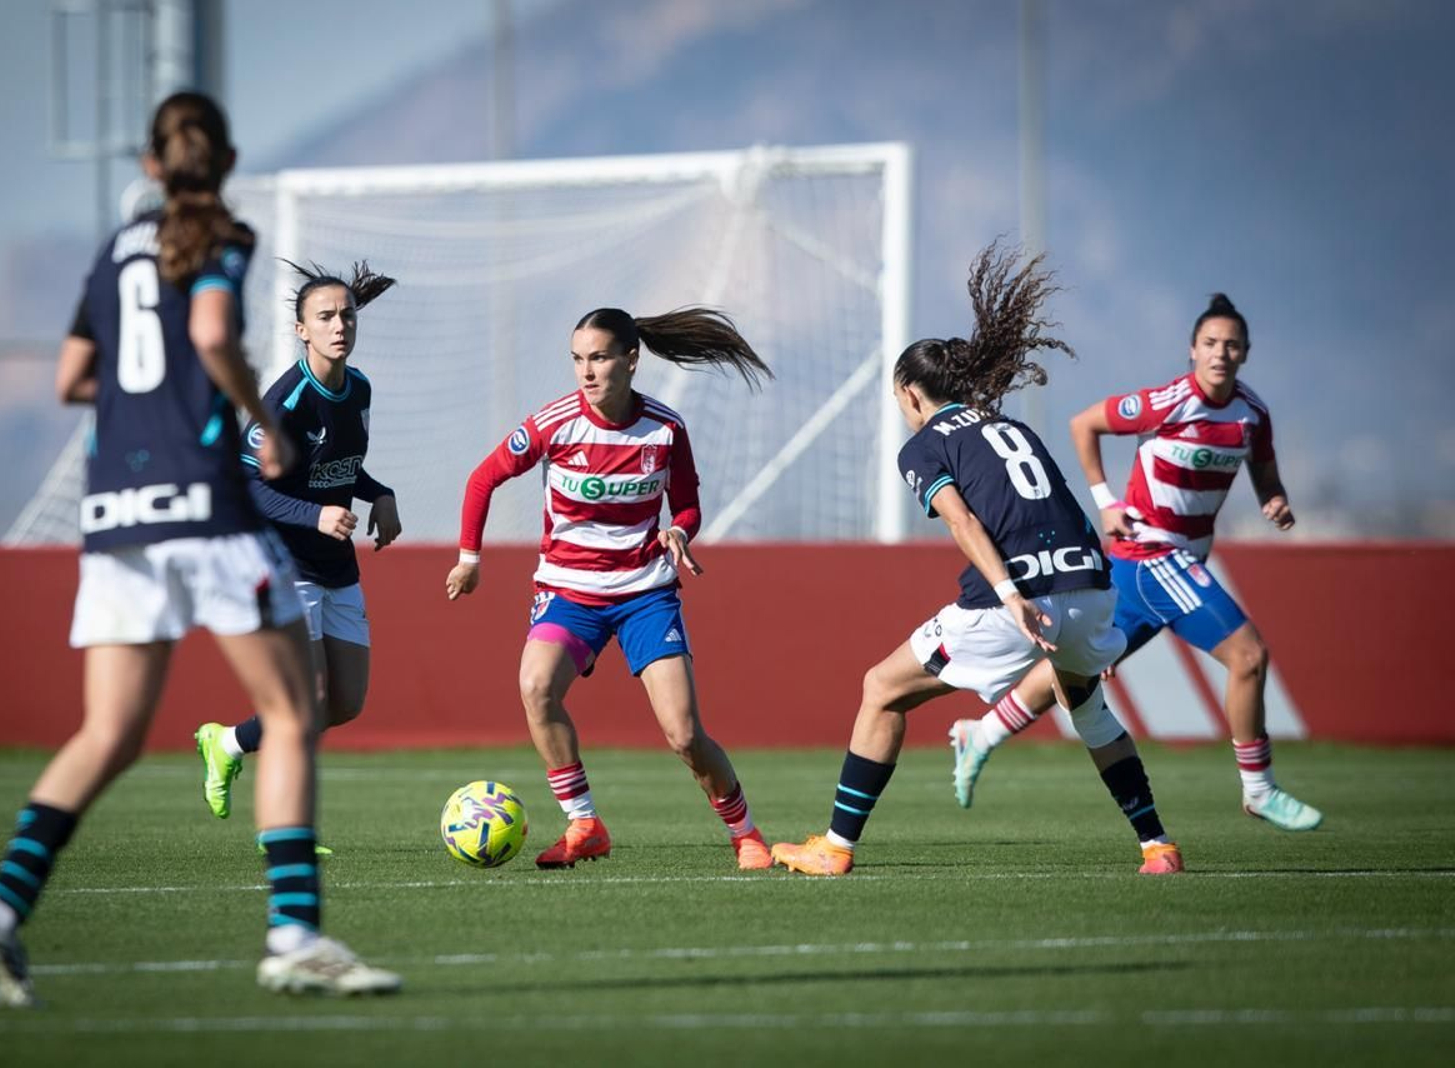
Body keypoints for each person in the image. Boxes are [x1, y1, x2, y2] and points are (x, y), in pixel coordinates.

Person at [0, 92, 400, 1006]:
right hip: (208, 511)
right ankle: (294, 933)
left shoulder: (113, 255)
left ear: (149, 168)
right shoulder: (220, 238)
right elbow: (206, 335)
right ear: (222, 162)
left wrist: (138, 406)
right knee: (291, 710)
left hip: (116, 513)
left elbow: (74, 376)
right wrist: (260, 418)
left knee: (107, 733)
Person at [772, 241, 1183, 877]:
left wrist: (1013, 595)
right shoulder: (1013, 427)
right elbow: (1060, 506)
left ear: (911, 394)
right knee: (1090, 711)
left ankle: (835, 847)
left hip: (1016, 599)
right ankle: (1157, 846)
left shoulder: (925, 446)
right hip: (1090, 585)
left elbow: (962, 521)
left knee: (880, 689)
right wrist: (1080, 613)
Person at [946, 294, 1323, 831]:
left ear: (1245, 353)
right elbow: (1084, 424)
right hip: (1152, 552)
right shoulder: (1170, 401)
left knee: (1073, 671)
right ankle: (1259, 788)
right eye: (1211, 343)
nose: (1220, 353)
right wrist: (1107, 502)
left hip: (1163, 563)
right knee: (1248, 657)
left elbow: (1265, 470)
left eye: (1231, 345)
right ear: (1192, 349)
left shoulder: (1251, 414)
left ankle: (978, 734)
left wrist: (1274, 499)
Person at [444, 307, 776, 870]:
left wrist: (679, 529)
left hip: (645, 592)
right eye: (577, 359)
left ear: (630, 360)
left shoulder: (666, 429)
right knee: (536, 686)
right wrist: (469, 559)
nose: (586, 372)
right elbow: (484, 478)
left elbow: (689, 503)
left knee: (684, 736)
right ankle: (584, 823)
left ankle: (744, 832)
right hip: (569, 591)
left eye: (598, 358)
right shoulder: (554, 423)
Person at [194, 260, 401, 822]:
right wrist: (313, 517)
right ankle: (292, 835)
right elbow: (245, 486)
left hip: (335, 564)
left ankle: (228, 743)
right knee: (304, 705)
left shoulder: (358, 389)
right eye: (326, 317)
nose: (340, 326)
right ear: (301, 329)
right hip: (283, 562)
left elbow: (335, 468)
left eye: (347, 315)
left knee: (346, 703)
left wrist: (379, 493)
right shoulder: (284, 402)